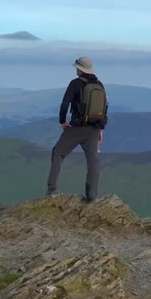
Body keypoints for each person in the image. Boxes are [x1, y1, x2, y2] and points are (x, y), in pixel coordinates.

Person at [46, 56, 108, 202]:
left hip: (77, 127)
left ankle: (52, 190)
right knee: (93, 161)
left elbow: (64, 104)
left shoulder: (75, 83)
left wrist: (62, 121)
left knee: (58, 153)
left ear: (79, 68)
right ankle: (92, 196)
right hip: (94, 129)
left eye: (76, 67)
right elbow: (103, 109)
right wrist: (100, 130)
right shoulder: (100, 84)